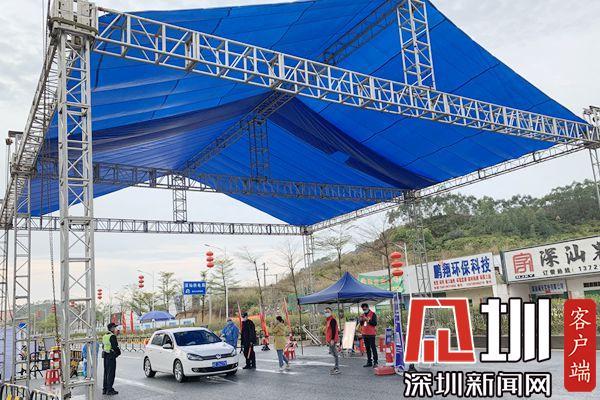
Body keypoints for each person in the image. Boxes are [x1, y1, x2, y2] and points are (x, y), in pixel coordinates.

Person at [102, 323, 121, 396]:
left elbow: (103, 346)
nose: (116, 329)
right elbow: (115, 347)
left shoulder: (105, 336)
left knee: (106, 373)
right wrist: (118, 353)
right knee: (111, 373)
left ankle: (105, 389)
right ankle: (109, 390)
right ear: (112, 328)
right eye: (115, 327)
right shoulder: (112, 336)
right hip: (111, 356)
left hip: (105, 356)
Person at [359, 303, 378, 368]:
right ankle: (369, 362)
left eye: (365, 309)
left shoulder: (373, 314)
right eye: (363, 309)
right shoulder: (362, 315)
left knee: (373, 348)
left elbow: (374, 323)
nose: (364, 310)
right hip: (365, 334)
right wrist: (361, 320)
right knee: (367, 348)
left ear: (367, 307)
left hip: (371, 334)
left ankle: (375, 362)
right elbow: (361, 324)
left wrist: (368, 320)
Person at [323, 307, 340, 375]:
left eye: (328, 311)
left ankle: (337, 368)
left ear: (331, 312)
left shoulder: (332, 320)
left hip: (332, 340)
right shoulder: (328, 320)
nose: (326, 313)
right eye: (325, 312)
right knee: (333, 353)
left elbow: (334, 330)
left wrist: (332, 339)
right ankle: (336, 367)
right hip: (330, 340)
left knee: (335, 354)